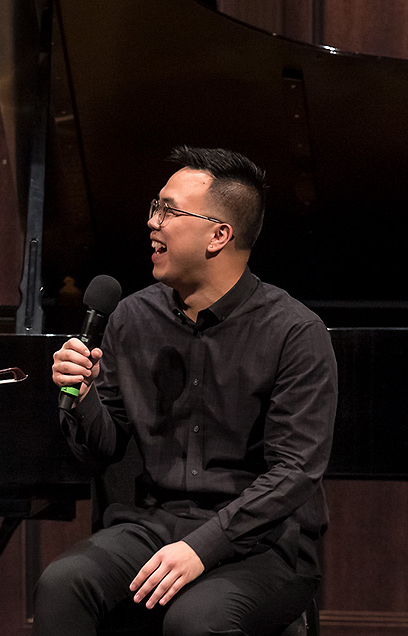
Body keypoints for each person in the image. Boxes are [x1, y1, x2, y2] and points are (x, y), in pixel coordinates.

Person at [38, 146, 337, 636]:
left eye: (169, 211)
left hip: (262, 540)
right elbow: (101, 450)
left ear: (219, 235)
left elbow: (294, 472)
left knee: (196, 619)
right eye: (155, 207)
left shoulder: (294, 332)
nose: (152, 222)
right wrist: (83, 395)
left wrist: (204, 546)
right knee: (62, 584)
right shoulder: (133, 316)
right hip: (153, 524)